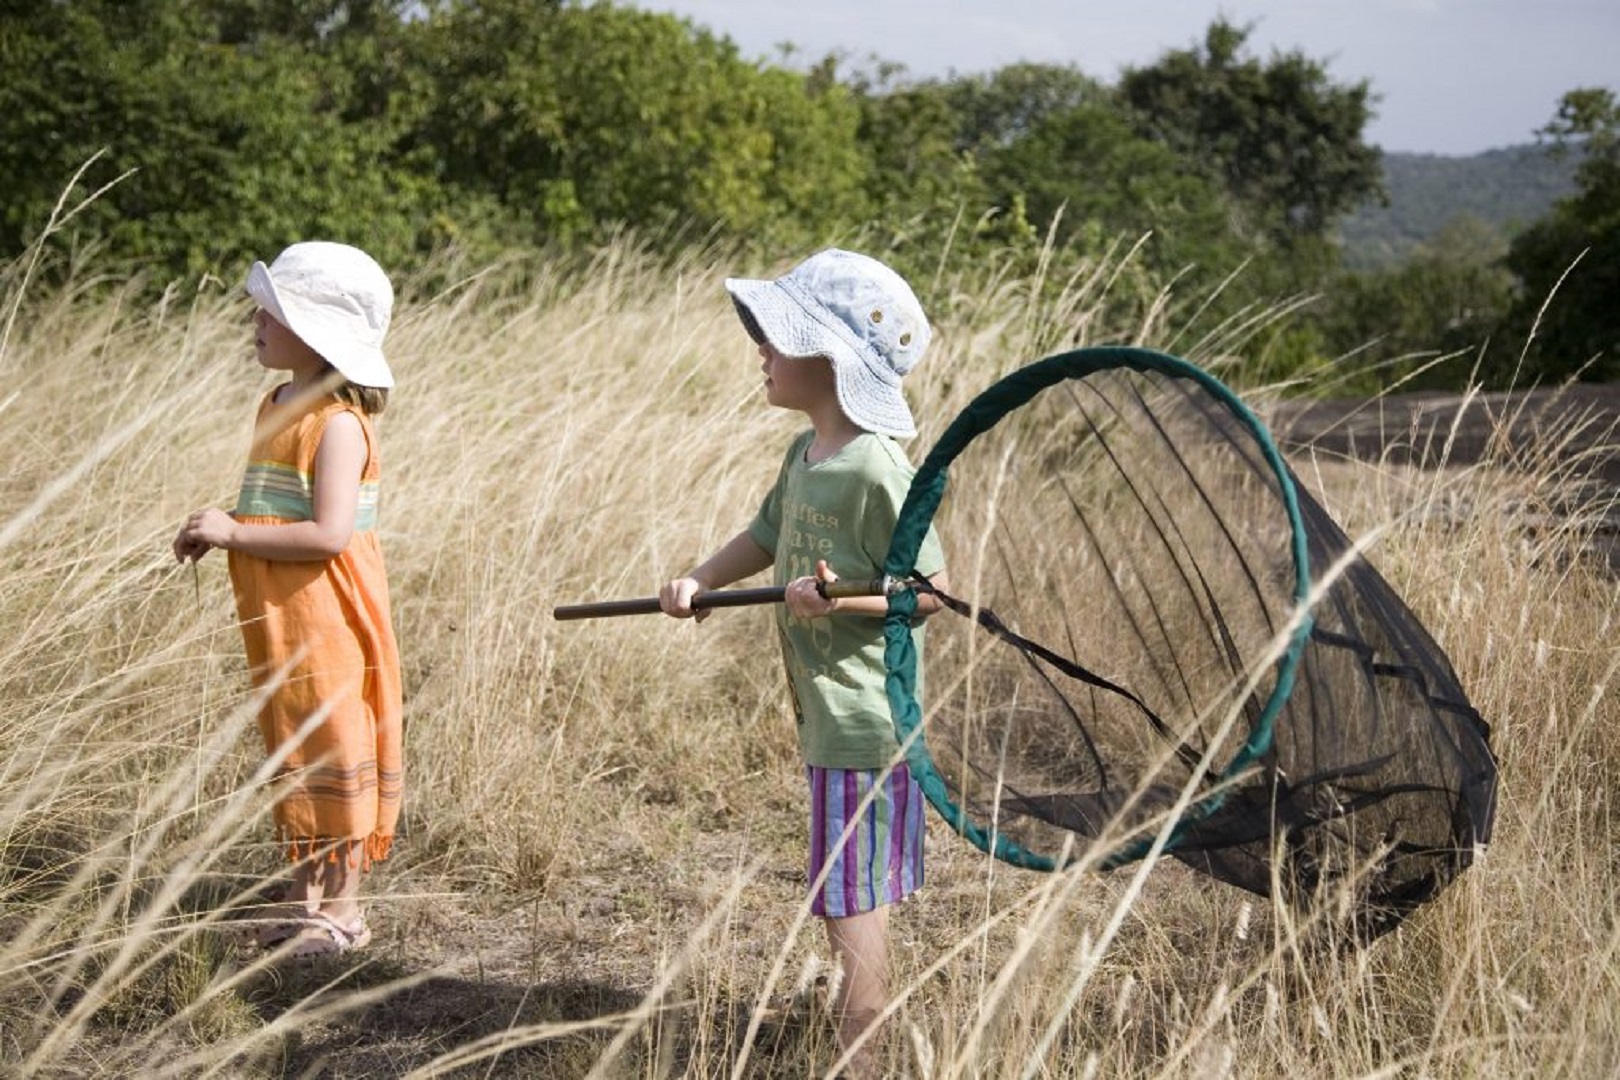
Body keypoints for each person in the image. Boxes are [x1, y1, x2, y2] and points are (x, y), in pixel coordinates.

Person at [660, 249, 947, 1075]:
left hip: (866, 720)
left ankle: (863, 1057)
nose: (761, 353)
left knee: (849, 903)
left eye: (775, 341)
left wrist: (839, 602)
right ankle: (861, 1033)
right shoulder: (806, 457)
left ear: (831, 361)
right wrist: (701, 582)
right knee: (846, 898)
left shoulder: (879, 469)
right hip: (826, 718)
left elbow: (929, 592)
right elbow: (763, 536)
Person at [173, 241, 403, 959]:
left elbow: (330, 535)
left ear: (317, 332)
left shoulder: (336, 423)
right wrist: (226, 534)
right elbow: (275, 511)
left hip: (325, 611)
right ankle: (303, 902)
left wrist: (234, 531)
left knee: (332, 745)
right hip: (280, 612)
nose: (257, 321)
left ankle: (342, 910)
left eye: (273, 312)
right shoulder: (275, 403)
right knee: (295, 746)